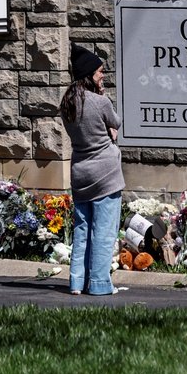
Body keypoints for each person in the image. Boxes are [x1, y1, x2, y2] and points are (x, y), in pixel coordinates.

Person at [59, 42, 125, 296]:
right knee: (104, 232)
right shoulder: (99, 101)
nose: (103, 76)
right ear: (89, 76)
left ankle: (77, 282)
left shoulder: (67, 104)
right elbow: (116, 122)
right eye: (99, 72)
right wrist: (109, 129)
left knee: (82, 229)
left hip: (81, 173)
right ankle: (98, 284)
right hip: (105, 174)